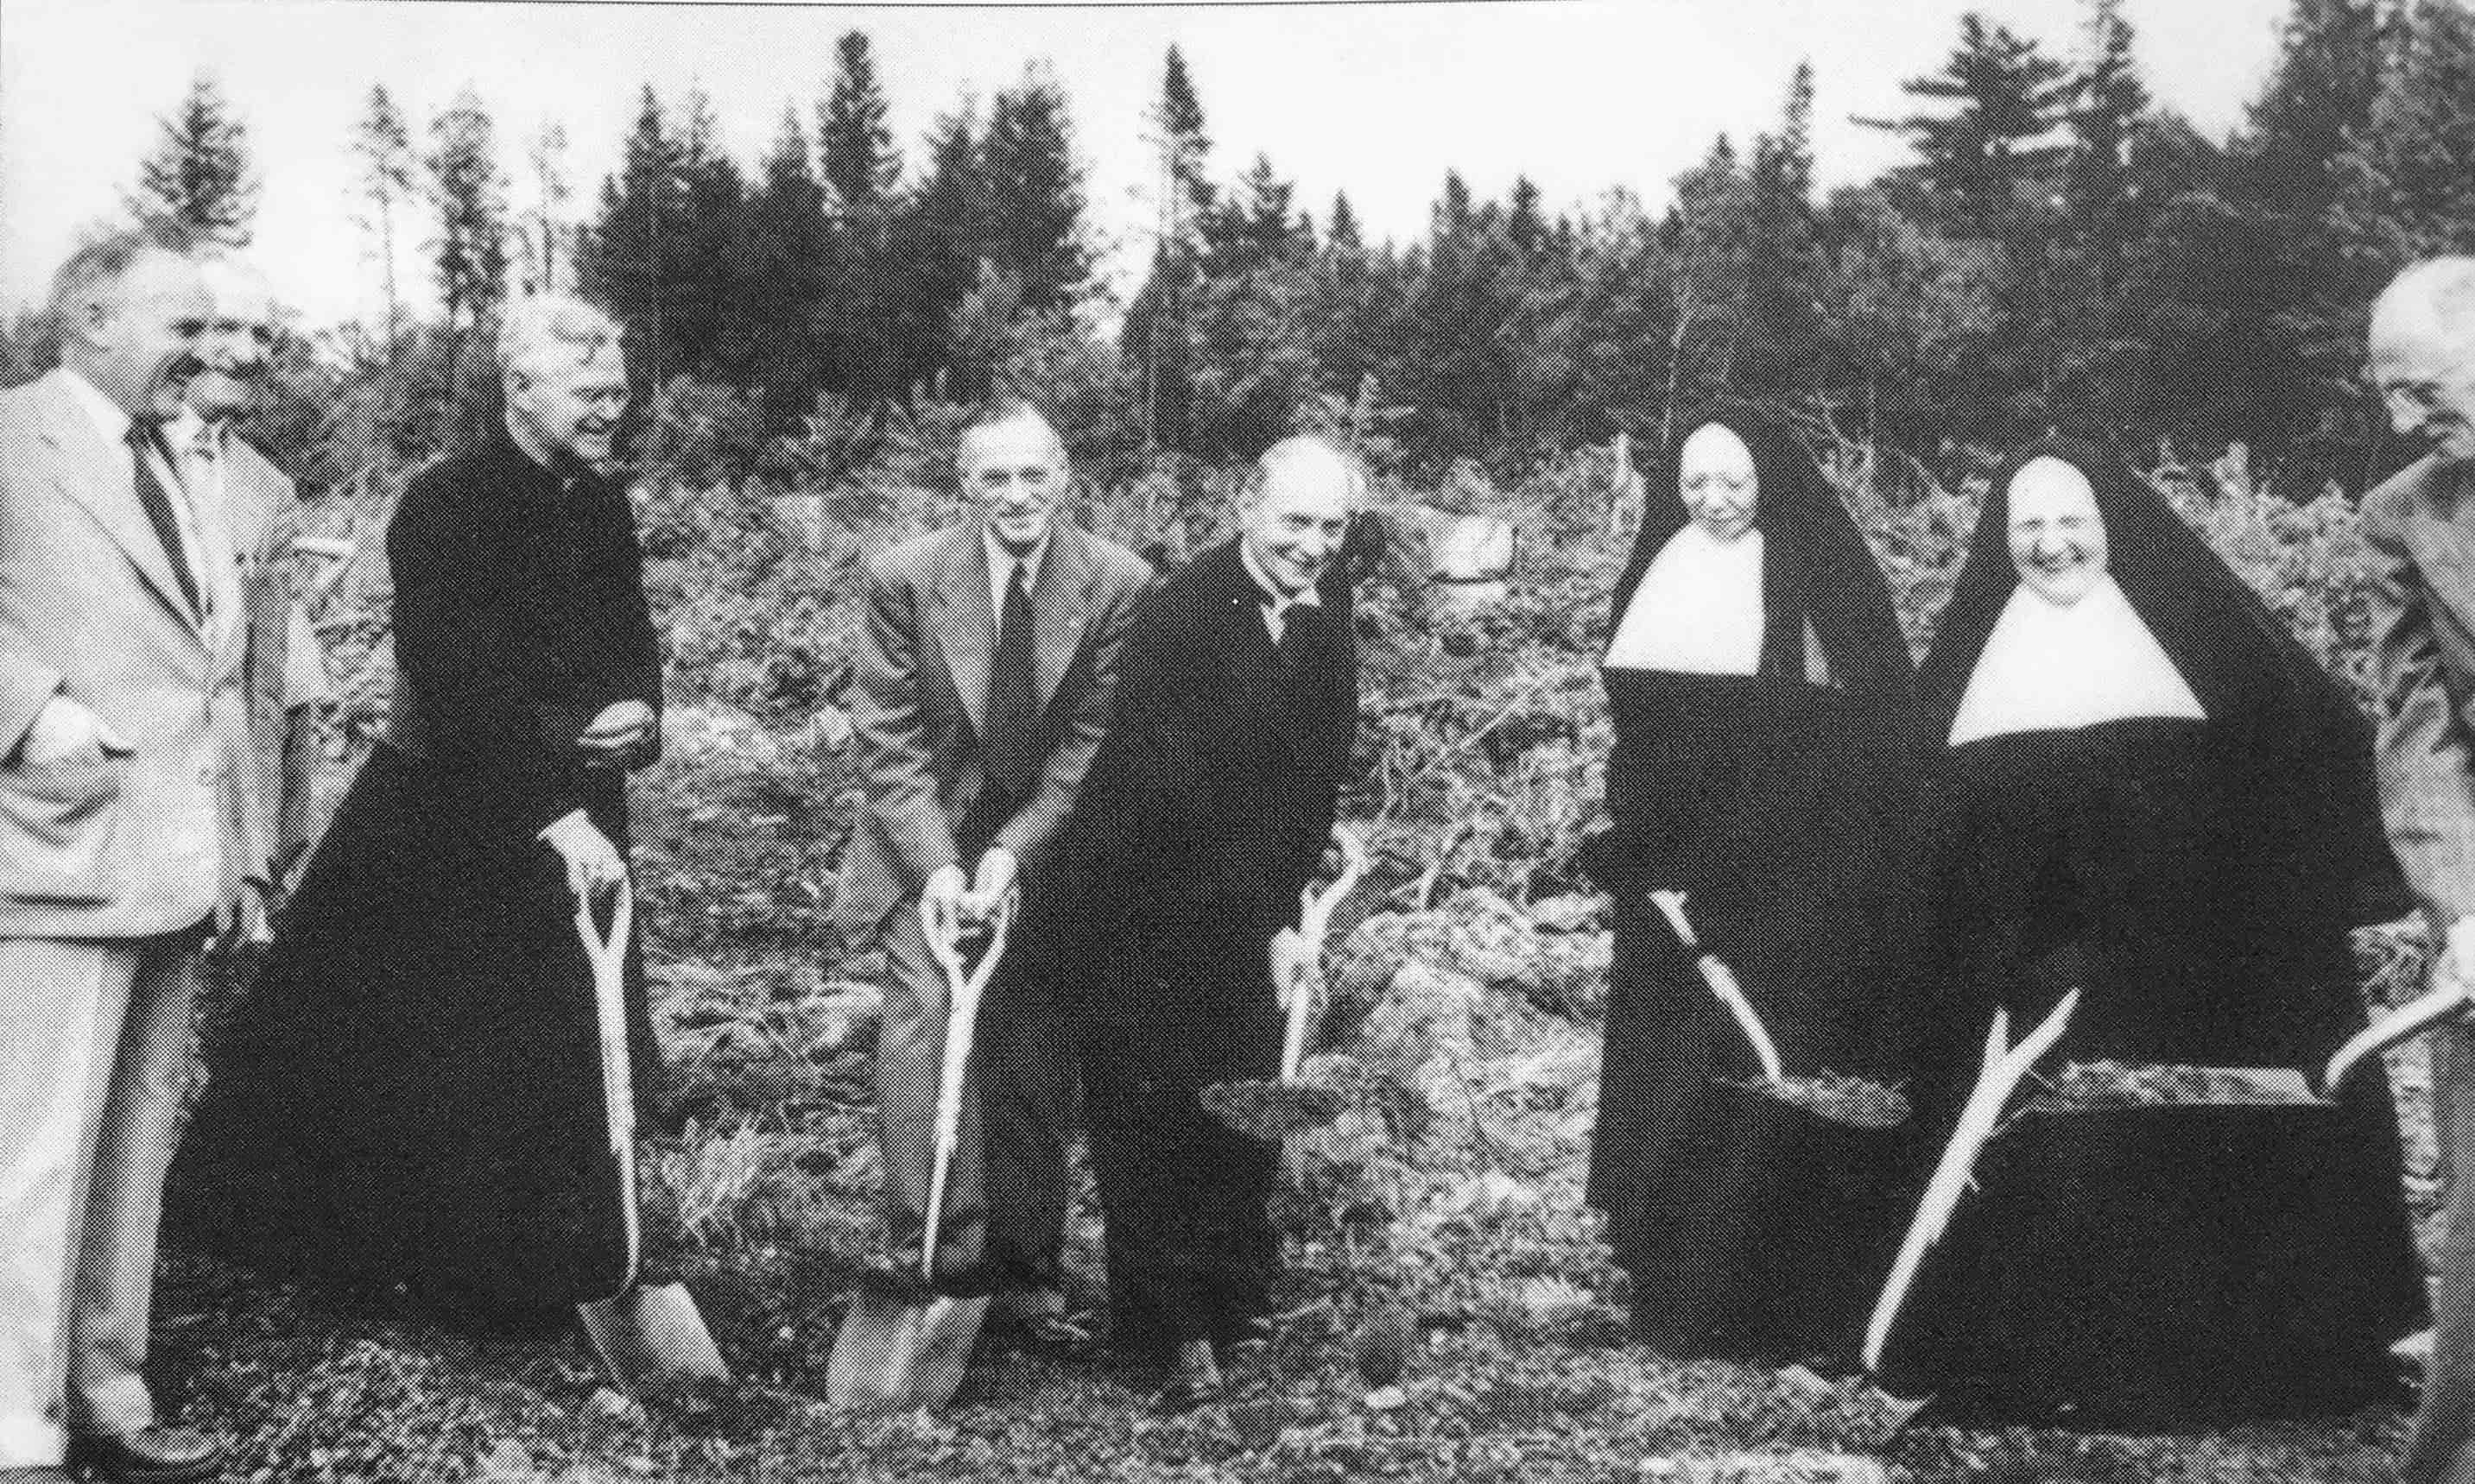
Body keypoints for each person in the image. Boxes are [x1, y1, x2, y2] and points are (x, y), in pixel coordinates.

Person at [1888, 435, 2422, 1427]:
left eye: (2071, 523)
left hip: (2199, 972)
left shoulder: (2204, 643)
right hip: (2034, 977)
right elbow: (1928, 839)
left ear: (2113, 530)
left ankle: (2241, 1357)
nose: (2051, 546)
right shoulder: (1969, 664)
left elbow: (2302, 760)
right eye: (2028, 527)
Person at [181, 293, 667, 1323]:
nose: (607, 413)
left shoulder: (602, 505)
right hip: (453, 814)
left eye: (617, 394)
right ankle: (423, 1269)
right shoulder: (446, 502)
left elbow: (628, 638)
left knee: (559, 1033)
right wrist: (553, 805)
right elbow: (452, 671)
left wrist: (640, 716)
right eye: (588, 395)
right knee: (435, 1043)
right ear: (521, 389)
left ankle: (547, 1261)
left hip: (580, 800)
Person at [0, 228, 276, 1484]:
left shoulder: (186, 461)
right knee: (37, 1149)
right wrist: (27, 704)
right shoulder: (14, 439)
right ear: (95, 319)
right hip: (57, 851)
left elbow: (222, 670)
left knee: (131, 1147)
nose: (207, 350)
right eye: (182, 324)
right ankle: (15, 1425)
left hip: (176, 857)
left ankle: (109, 1389)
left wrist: (242, 849)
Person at [1579, 410, 1921, 1369]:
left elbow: (1866, 735)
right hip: (1671, 871)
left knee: (1771, 1059)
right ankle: (1667, 1289)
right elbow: (1638, 736)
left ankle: (1768, 1296)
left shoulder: (1815, 571)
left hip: (1787, 873)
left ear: (1769, 478)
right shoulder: (1659, 567)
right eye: (1695, 483)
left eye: (1733, 480)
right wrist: (1636, 840)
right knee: (1676, 1066)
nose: (1714, 500)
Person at [1043, 435, 1364, 1410]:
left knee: (1240, 1096)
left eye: (1332, 527)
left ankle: (1226, 1300)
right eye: (1294, 522)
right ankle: (1164, 1332)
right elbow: (1175, 797)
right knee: (1151, 1115)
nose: (1311, 545)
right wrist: (1267, 925)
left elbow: (1311, 769)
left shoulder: (1325, 611)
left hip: (1243, 899)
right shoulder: (1180, 614)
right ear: (1244, 508)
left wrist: (1292, 897)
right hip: (1135, 905)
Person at [836, 400, 1151, 1348]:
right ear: (964, 485)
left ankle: (1024, 1273)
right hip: (920, 839)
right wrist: (939, 866)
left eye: (1033, 475)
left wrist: (1015, 852)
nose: (1016, 496)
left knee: (1029, 1046)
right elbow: (887, 741)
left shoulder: (1117, 583)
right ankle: (933, 1255)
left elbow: (1093, 744)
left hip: (1043, 848)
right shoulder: (904, 578)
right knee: (926, 1022)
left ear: (1064, 475)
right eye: (993, 478)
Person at [2364, 256, 2475, 1484]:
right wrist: (2463, 910)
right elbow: (2418, 731)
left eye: (2421, 388)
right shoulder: (2404, 513)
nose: (2400, 421)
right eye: (2385, 394)